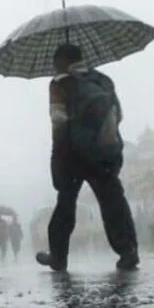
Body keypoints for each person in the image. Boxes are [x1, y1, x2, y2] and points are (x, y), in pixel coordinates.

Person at [36, 43, 139, 272]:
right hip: (103, 153)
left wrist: (58, 153)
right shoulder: (103, 81)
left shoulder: (59, 83)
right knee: (113, 202)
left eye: (55, 63)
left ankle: (58, 257)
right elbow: (118, 115)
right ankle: (128, 251)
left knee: (66, 204)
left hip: (72, 155)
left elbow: (58, 119)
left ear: (62, 61)